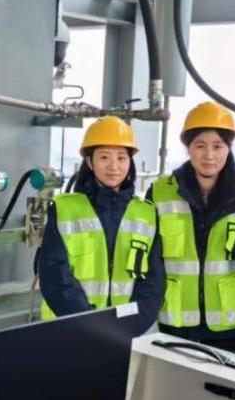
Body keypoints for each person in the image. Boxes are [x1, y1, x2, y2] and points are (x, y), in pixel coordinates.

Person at [146, 102, 235, 352]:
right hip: (174, 317)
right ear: (188, 148)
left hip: (228, 321)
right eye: (200, 146)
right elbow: (150, 256)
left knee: (221, 379)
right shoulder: (160, 192)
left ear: (228, 148)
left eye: (217, 146)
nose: (209, 155)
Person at [39, 116, 163, 333]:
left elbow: (153, 282)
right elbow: (55, 275)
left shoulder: (146, 213)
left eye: (121, 158)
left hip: (122, 332)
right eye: (104, 157)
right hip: (69, 329)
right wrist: (90, 322)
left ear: (130, 161)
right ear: (89, 161)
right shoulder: (64, 209)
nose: (114, 167)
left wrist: (129, 327)